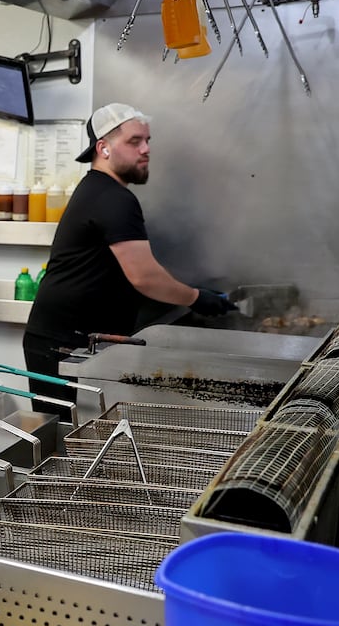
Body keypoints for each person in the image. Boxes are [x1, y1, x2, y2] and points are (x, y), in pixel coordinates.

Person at [24, 102, 236, 409]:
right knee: (70, 440)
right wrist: (196, 297)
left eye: (147, 140)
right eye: (134, 141)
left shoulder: (99, 189)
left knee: (81, 437)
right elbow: (145, 276)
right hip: (63, 346)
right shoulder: (113, 198)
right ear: (104, 148)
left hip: (66, 340)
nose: (145, 149)